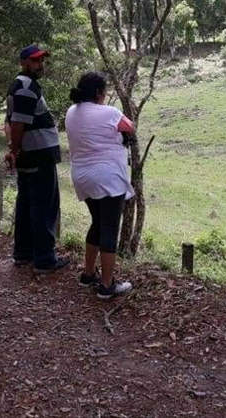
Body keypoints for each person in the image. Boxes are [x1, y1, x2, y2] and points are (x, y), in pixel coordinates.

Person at [64, 72, 135, 299]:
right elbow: (130, 127)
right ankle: (107, 285)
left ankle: (88, 274)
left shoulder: (71, 112)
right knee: (109, 229)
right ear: (98, 93)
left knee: (97, 222)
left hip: (82, 178)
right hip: (109, 178)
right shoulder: (110, 112)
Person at [4, 45, 69, 274]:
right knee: (44, 205)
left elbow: (9, 121)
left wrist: (14, 149)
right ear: (23, 62)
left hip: (31, 154)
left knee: (27, 202)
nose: (40, 65)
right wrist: (15, 150)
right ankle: (44, 259)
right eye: (35, 61)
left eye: (41, 60)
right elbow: (17, 124)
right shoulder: (25, 87)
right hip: (38, 155)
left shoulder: (20, 85)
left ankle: (23, 253)